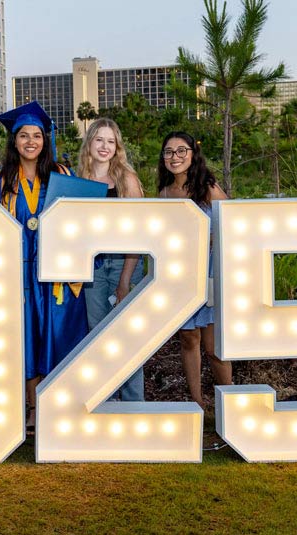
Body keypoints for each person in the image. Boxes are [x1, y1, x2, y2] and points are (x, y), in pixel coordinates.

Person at [0, 101, 87, 434]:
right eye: (23, 135)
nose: (31, 141)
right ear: (14, 141)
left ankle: (60, 407)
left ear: (46, 140)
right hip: (19, 277)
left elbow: (82, 223)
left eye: (37, 136)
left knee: (58, 338)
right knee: (26, 340)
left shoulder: (64, 175)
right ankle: (32, 409)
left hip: (58, 276)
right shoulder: (1, 181)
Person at [158, 131, 232, 411]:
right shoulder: (165, 193)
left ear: (192, 154)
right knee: (189, 339)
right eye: (168, 152)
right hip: (183, 276)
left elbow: (231, 224)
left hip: (211, 274)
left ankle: (230, 409)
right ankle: (197, 406)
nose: (174, 157)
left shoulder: (208, 188)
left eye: (181, 151)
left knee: (214, 348)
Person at [77, 118, 148, 401]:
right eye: (99, 140)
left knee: (126, 336)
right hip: (92, 267)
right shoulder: (77, 181)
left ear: (117, 146)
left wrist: (125, 280)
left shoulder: (126, 179)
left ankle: (134, 403)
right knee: (98, 336)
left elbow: (139, 233)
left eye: (110, 141)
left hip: (123, 263)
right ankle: (104, 399)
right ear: (89, 144)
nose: (104, 146)